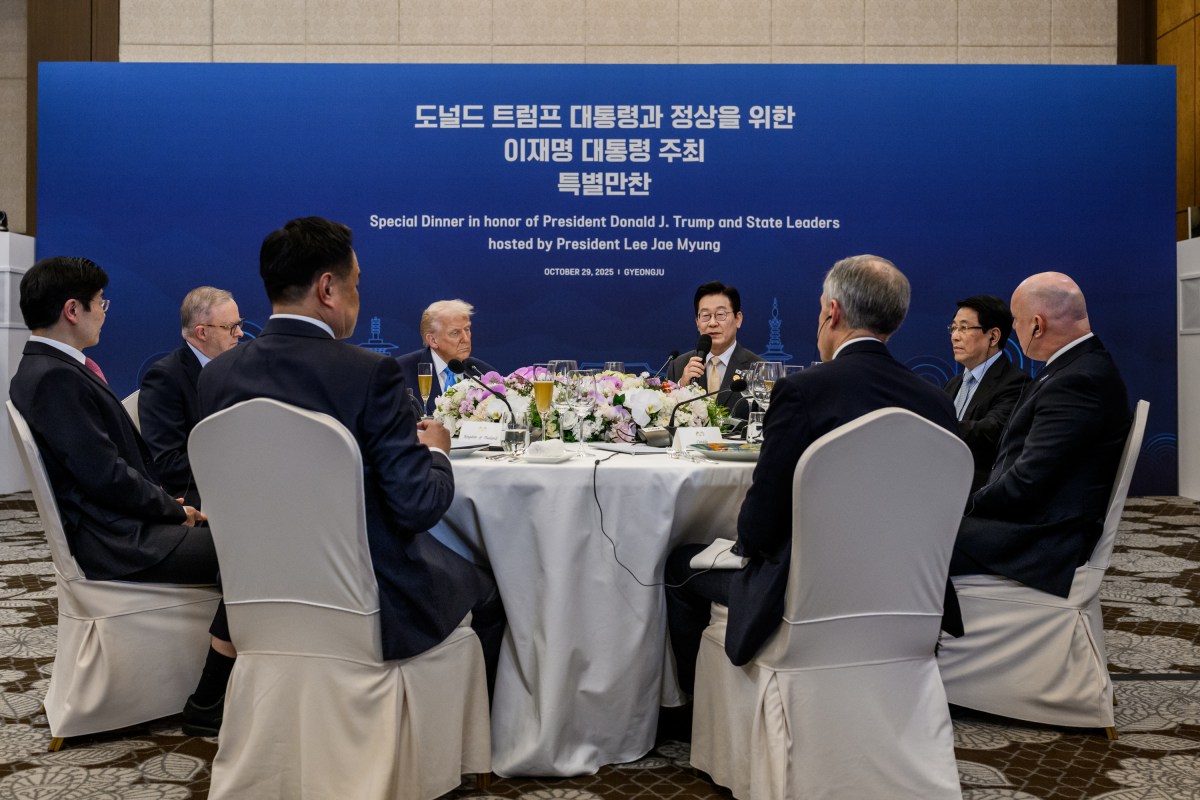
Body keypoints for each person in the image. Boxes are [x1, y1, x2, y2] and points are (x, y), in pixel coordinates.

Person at [197, 217, 506, 694]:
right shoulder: (369, 375)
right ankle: (467, 744)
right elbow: (418, 505)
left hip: (254, 593)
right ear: (328, 288)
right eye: (356, 284)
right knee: (492, 589)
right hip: (371, 600)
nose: (359, 295)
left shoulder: (217, 376)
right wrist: (438, 455)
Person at [665, 256, 958, 694]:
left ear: (832, 313)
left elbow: (758, 528)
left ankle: (693, 710)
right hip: (911, 595)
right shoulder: (936, 403)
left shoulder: (803, 393)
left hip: (808, 595)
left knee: (677, 564)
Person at [8, 256, 235, 737]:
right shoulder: (54, 377)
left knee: (247, 538)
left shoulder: (52, 369)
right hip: (118, 539)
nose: (104, 312)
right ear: (73, 310)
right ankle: (210, 699)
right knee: (256, 553)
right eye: (100, 303)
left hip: (123, 525)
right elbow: (104, 476)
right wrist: (174, 509)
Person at [952, 272, 1132, 599]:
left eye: (1017, 321)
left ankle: (921, 641)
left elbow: (1027, 482)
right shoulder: (1075, 367)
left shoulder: (1078, 380)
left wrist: (960, 505)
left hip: (1042, 541)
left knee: (915, 538)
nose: (1015, 331)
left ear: (1037, 324)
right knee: (919, 529)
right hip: (1034, 523)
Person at [139, 286, 244, 507]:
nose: (240, 333)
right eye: (231, 327)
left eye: (240, 324)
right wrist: (237, 463)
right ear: (202, 332)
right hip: (201, 493)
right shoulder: (164, 378)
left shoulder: (240, 365)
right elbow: (167, 463)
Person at [944, 295, 1030, 492]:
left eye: (964, 328)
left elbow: (991, 432)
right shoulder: (953, 383)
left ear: (993, 336)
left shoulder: (1016, 382)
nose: (955, 336)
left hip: (976, 493)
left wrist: (935, 426)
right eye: (954, 327)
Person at [666, 281, 762, 415]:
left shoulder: (758, 368)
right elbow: (667, 420)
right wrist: (682, 386)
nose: (712, 323)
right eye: (705, 316)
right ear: (697, 323)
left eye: (721, 314)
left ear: (738, 319)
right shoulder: (678, 366)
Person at [395, 299, 496, 415]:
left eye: (467, 329)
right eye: (455, 333)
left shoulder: (484, 374)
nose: (466, 339)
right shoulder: (400, 373)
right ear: (433, 340)